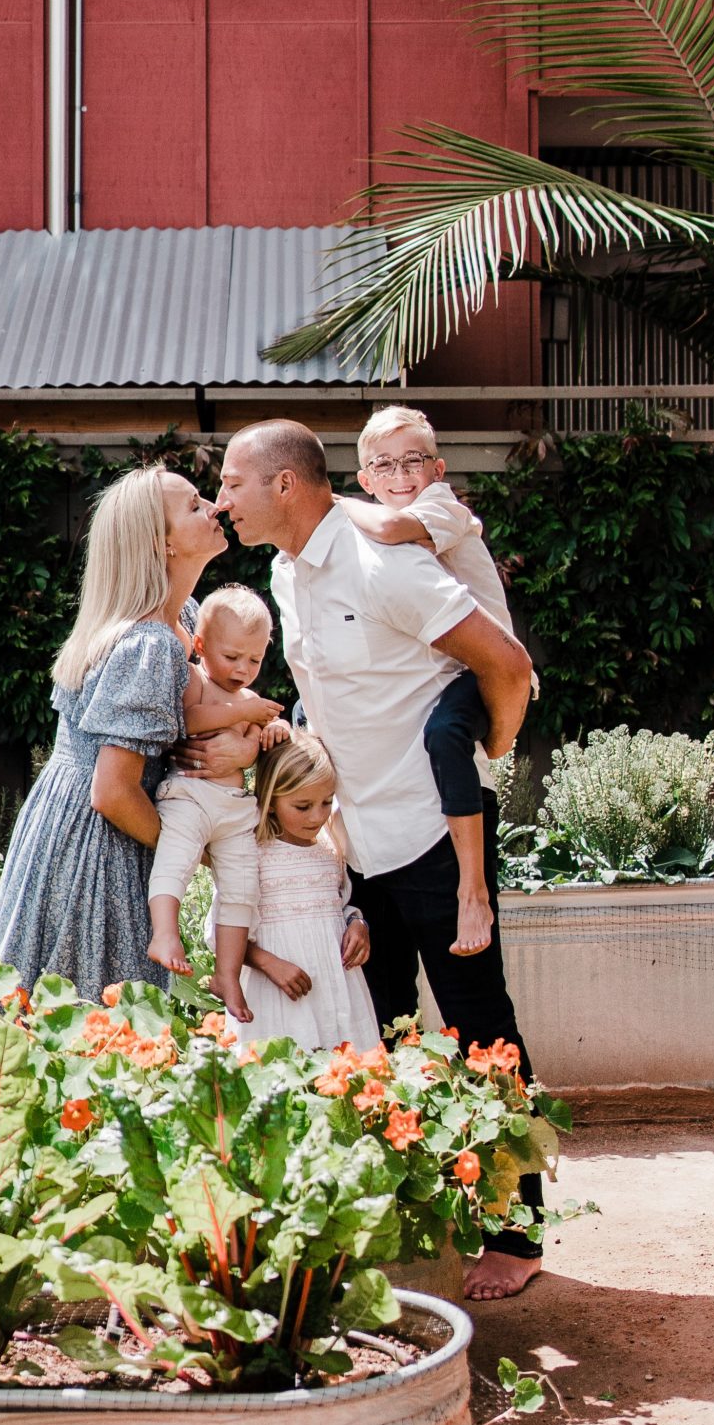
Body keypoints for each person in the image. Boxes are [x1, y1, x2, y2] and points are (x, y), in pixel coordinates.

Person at [212, 418, 544, 1302]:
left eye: (233, 483)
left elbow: (505, 664)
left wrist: (491, 750)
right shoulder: (284, 574)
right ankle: (400, 1228)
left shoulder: (384, 564)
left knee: (481, 1034)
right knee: (380, 1038)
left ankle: (519, 1234)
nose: (223, 501)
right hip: (352, 853)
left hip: (434, 840)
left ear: (284, 485)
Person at [0, 464, 237, 1003]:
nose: (215, 507)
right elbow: (114, 791)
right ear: (160, 544)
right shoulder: (148, 643)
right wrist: (194, 853)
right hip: (95, 845)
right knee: (94, 1020)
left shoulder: (182, 620)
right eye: (194, 506)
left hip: (66, 820)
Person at [340, 404, 515, 959]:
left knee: (443, 735)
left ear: (438, 470)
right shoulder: (369, 528)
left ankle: (473, 892)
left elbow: (391, 527)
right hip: (447, 674)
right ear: (367, 478)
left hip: (482, 670)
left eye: (413, 461)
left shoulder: (440, 508)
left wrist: (331, 504)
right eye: (384, 467)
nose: (400, 477)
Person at [145, 582, 287, 1020]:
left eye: (255, 660)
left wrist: (272, 733)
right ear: (202, 645)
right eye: (232, 657)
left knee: (243, 887)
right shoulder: (195, 679)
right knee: (177, 859)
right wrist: (242, 713)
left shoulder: (251, 700)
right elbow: (185, 721)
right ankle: (164, 933)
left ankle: (227, 974)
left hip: (233, 806)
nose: (243, 669)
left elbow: (259, 741)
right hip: (189, 793)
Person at [233, 735, 379, 1054]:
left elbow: (344, 906)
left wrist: (358, 925)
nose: (317, 816)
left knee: (344, 1075)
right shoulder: (251, 852)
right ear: (271, 800)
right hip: (278, 992)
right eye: (303, 806)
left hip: (337, 988)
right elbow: (220, 930)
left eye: (326, 802)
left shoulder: (331, 847)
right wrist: (269, 963)